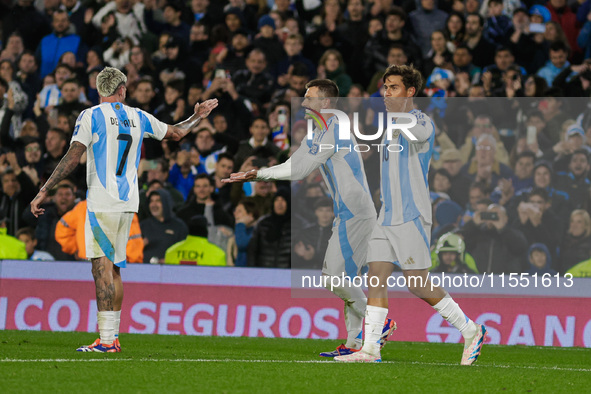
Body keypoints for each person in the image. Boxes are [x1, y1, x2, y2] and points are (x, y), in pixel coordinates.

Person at [29, 66, 218, 353]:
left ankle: (106, 341)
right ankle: (112, 338)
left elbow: (73, 156)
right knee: (114, 268)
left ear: (99, 90)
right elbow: (177, 133)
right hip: (129, 202)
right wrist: (197, 116)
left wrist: (45, 189)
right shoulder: (137, 116)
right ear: (121, 90)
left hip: (102, 200)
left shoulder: (90, 115)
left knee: (100, 269)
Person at [224, 79, 395, 357]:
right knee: (346, 279)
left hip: (356, 213)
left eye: (309, 98)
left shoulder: (336, 128)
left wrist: (262, 174)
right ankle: (353, 344)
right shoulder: (319, 131)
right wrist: (258, 172)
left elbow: (301, 170)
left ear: (325, 103)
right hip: (349, 211)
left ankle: (379, 322)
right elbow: (293, 162)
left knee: (332, 278)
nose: (303, 103)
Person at [334, 65, 486, 365]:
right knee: (376, 277)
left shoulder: (421, 121)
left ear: (410, 92)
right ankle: (370, 349)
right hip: (386, 215)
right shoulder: (389, 124)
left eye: (393, 87)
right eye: (385, 87)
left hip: (412, 215)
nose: (386, 92)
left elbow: (418, 134)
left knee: (417, 283)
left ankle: (471, 330)